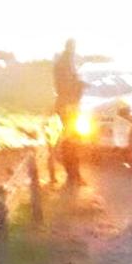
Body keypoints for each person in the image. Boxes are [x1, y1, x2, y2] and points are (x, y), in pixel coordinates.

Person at [53, 38, 85, 185]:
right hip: (68, 105)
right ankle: (72, 174)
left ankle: (73, 174)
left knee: (71, 139)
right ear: (71, 47)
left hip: (66, 104)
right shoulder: (66, 62)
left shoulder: (64, 61)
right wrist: (79, 85)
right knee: (71, 140)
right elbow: (67, 85)